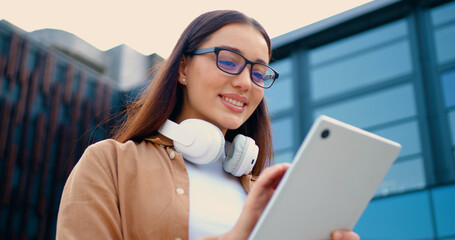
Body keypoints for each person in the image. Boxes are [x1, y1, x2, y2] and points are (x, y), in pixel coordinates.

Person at [56, 10, 360, 240]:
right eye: (229, 61)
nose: (245, 82)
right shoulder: (110, 163)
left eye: (259, 72)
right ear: (184, 67)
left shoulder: (267, 196)